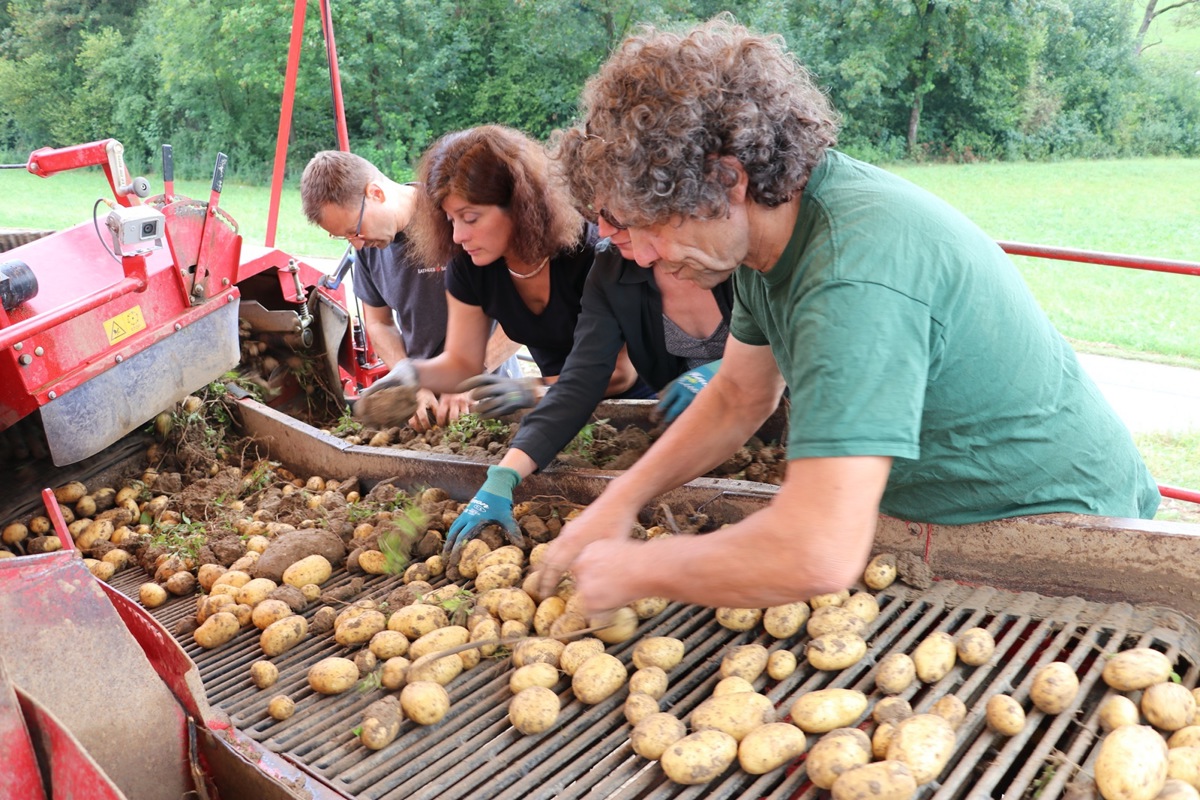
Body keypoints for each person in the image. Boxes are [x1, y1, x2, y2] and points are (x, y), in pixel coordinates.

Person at [535, 17, 1161, 613]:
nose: (641, 258)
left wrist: (634, 570)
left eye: (649, 228)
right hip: (944, 520)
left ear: (727, 181)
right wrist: (621, 500)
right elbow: (738, 397)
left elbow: (817, 552)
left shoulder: (852, 272)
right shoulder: (764, 242)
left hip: (1055, 526)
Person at [444, 220, 734, 552]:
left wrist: (724, 372)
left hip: (784, 421)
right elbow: (580, 381)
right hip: (702, 438)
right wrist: (503, 476)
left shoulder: (735, 249)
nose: (604, 229)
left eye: (617, 215)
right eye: (596, 214)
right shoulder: (611, 268)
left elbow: (792, 344)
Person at [361, 125, 644, 447]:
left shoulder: (590, 253)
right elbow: (461, 364)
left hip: (637, 411)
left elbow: (621, 374)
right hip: (565, 414)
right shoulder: (470, 267)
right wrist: (410, 374)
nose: (457, 236)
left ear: (521, 205)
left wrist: (533, 390)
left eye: (471, 218)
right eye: (451, 220)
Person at [299, 151, 520, 430]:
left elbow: (526, 312)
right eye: (343, 237)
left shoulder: (455, 214)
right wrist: (411, 381)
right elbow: (379, 323)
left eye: (354, 230)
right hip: (426, 411)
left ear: (375, 193)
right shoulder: (369, 249)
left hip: (490, 397)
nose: (355, 245)